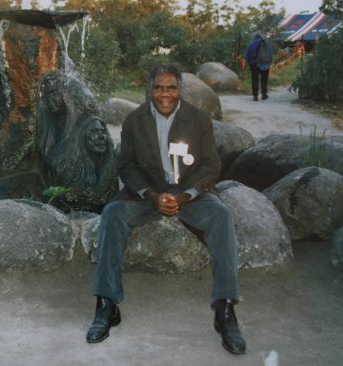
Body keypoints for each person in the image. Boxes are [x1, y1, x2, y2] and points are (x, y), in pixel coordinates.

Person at [85, 64, 246, 355]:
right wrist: (151, 195)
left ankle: (225, 310)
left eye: (171, 88)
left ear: (180, 89)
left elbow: (211, 166)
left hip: (189, 194)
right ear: (150, 89)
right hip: (147, 193)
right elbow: (127, 165)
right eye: (159, 87)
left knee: (221, 216)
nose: (165, 94)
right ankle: (106, 305)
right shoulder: (134, 121)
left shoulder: (198, 120)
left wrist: (186, 195)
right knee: (112, 214)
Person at [245, 33, 273, 101]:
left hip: (254, 64)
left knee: (255, 79)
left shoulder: (251, 44)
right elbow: (271, 53)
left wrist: (250, 63)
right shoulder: (267, 43)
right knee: (264, 79)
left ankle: (255, 96)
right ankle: (263, 94)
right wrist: (269, 63)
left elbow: (247, 55)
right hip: (265, 64)